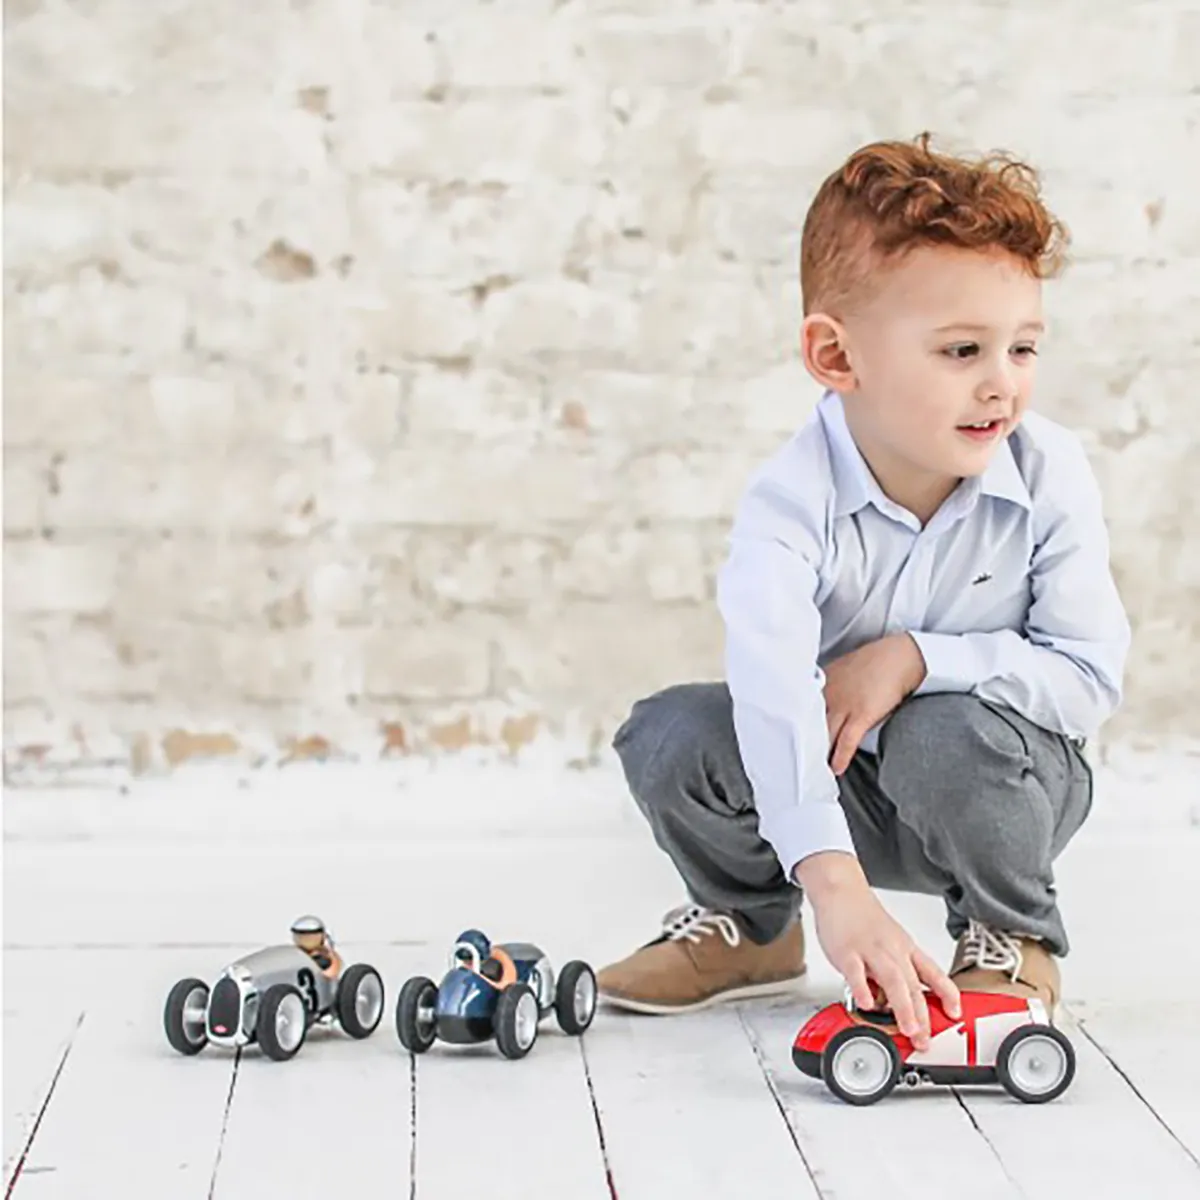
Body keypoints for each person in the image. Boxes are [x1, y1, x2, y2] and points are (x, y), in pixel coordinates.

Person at [596, 133, 1131, 1050]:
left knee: (940, 727)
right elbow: (770, 690)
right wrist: (833, 887)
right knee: (671, 733)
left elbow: (1087, 681)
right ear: (837, 359)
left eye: (1023, 348)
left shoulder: (1050, 473)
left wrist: (920, 659)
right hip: (846, 790)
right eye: (963, 350)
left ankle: (1011, 930)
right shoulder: (789, 502)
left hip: (1002, 782)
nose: (1002, 384)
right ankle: (752, 926)